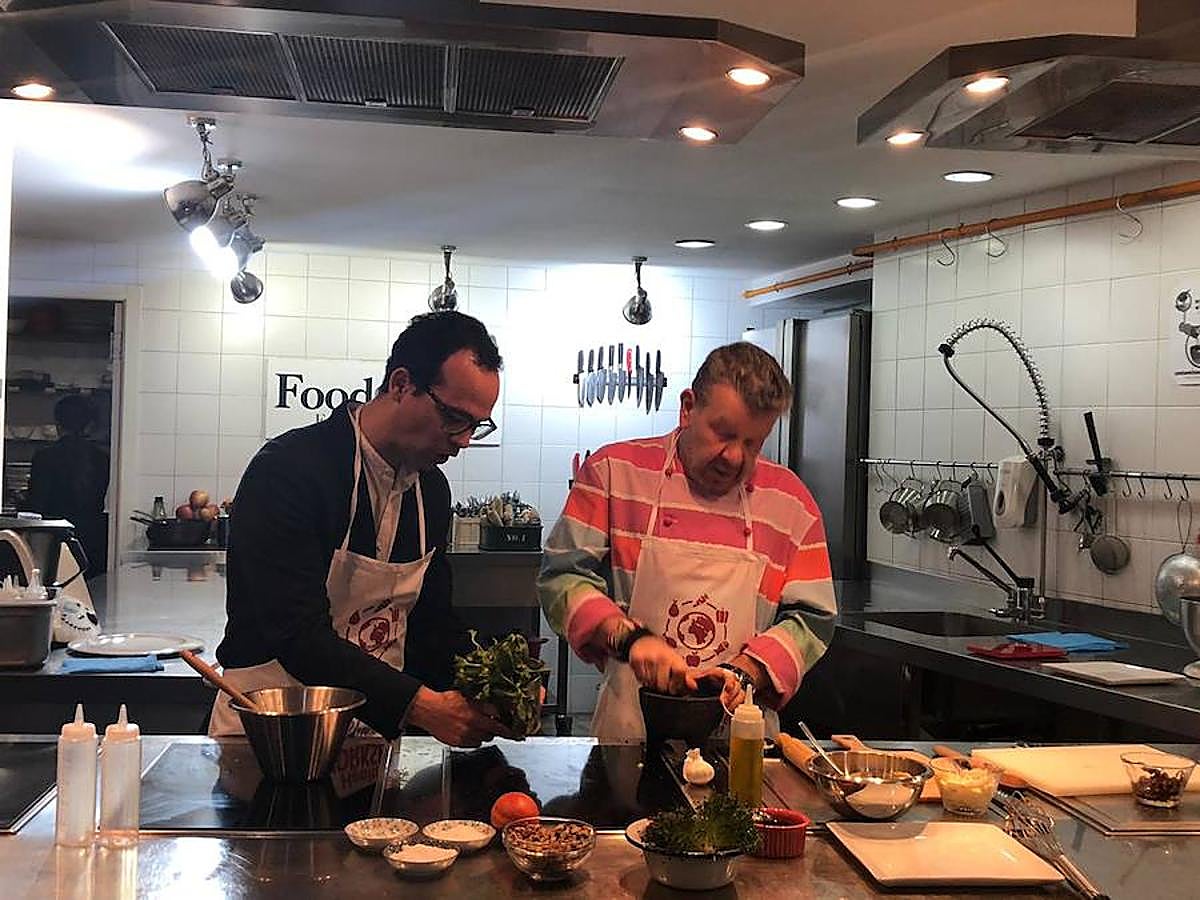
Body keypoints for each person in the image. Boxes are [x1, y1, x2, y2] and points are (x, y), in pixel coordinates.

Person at [212, 311, 516, 747]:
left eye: (477, 424)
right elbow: (298, 636)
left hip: (370, 738)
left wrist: (493, 682)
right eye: (454, 417)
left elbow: (431, 623)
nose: (464, 440)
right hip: (271, 734)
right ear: (401, 384)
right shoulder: (288, 471)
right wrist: (421, 706)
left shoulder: (431, 489)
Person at [537, 342, 837, 740]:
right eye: (723, 433)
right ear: (687, 407)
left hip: (741, 737)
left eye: (752, 443)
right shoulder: (614, 473)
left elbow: (813, 620)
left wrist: (744, 672)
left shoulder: (791, 503)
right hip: (631, 730)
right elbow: (561, 578)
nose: (733, 456)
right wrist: (630, 639)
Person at [28, 394, 109, 576]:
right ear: (88, 425)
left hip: (54, 540)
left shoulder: (45, 458)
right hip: (93, 540)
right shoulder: (102, 459)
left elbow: (36, 504)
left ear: (58, 425)